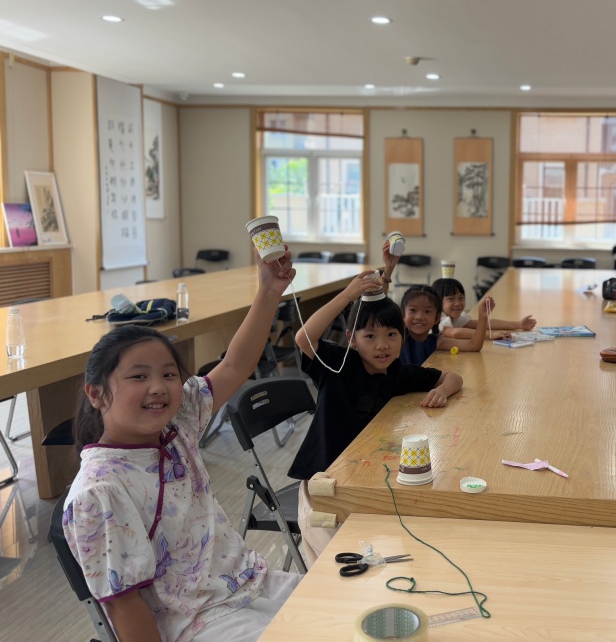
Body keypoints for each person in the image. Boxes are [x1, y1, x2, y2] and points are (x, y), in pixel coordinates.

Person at [64, 251, 301, 642]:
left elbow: (234, 366)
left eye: (169, 374)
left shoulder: (177, 422)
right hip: (198, 622)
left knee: (349, 610)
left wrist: (269, 292)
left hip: (252, 584)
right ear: (96, 393)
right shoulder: (100, 491)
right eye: (139, 376)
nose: (158, 387)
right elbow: (125, 605)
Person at [289, 261, 463, 560]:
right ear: (351, 339)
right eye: (370, 336)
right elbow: (304, 338)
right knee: (336, 561)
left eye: (391, 335)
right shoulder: (338, 365)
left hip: (366, 478)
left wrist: (442, 391)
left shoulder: (397, 372)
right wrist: (348, 295)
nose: (382, 346)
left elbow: (453, 377)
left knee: (386, 546)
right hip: (323, 482)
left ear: (403, 337)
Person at [400, 284, 493, 365]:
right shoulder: (398, 336)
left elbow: (473, 345)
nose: (419, 317)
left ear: (437, 318)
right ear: (403, 315)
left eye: (427, 311)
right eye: (413, 310)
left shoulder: (435, 341)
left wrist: (483, 317)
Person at [431, 277, 536, 339]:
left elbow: (483, 324)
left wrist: (518, 324)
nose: (458, 303)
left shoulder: (454, 318)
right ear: (437, 301)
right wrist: (490, 335)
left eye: (461, 298)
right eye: (451, 299)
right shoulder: (436, 319)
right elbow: (455, 333)